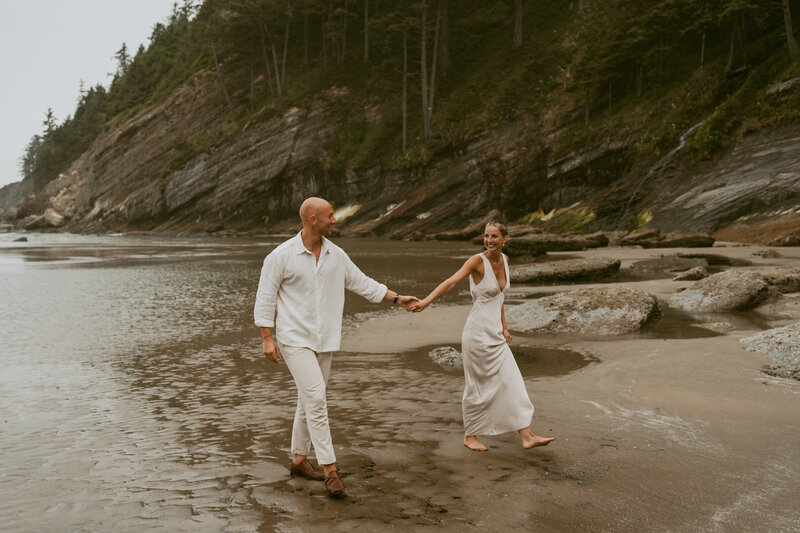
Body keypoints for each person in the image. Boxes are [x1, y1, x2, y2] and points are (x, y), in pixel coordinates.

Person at [254, 197, 418, 498]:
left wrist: (397, 298)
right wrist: (267, 337)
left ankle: (299, 460)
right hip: (294, 339)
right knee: (316, 397)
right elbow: (265, 297)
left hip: (325, 338)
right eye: (330, 216)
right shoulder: (281, 256)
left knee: (309, 399)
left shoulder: (336, 254)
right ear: (312, 220)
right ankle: (330, 470)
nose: (335, 220)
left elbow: (362, 283)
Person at [409, 222, 555, 452]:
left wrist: (504, 327)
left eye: (494, 236)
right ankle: (470, 435)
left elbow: (499, 300)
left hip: (496, 334)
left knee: (512, 381)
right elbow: (451, 282)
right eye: (486, 236)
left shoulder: (505, 260)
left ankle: (526, 435)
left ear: (505, 239)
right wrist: (426, 301)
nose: (489, 240)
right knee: (477, 386)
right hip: (477, 334)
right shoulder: (476, 261)